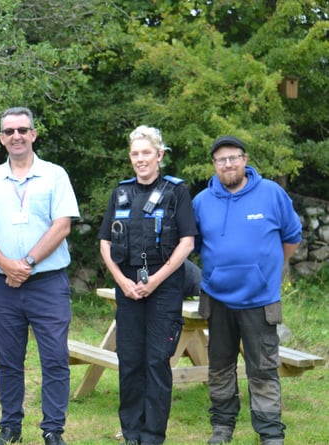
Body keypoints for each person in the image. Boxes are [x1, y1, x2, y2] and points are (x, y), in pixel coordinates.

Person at [0, 107, 80, 445]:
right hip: (2, 284)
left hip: (47, 284)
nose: (16, 136)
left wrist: (27, 262)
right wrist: (7, 265)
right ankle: (10, 428)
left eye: (22, 129)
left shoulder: (55, 175)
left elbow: (62, 225)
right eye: (9, 131)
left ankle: (52, 430)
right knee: (8, 360)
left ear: (34, 134)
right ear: (1, 139)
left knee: (55, 359)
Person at [193, 136, 302, 445]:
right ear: (214, 165)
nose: (228, 164)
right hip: (217, 299)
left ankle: (269, 433)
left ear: (245, 159)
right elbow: (196, 245)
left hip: (260, 299)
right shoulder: (201, 201)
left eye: (234, 158)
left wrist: (271, 270)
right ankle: (222, 428)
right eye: (221, 160)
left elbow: (292, 236)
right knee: (220, 368)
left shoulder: (271, 194)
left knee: (263, 369)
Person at [98, 125, 197, 445]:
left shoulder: (176, 191)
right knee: (129, 361)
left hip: (164, 284)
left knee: (156, 361)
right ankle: (132, 433)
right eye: (135, 153)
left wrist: (155, 280)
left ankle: (153, 435)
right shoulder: (121, 192)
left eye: (146, 153)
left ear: (160, 155)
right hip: (127, 284)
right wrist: (121, 281)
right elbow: (103, 243)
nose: (141, 159)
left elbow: (186, 242)